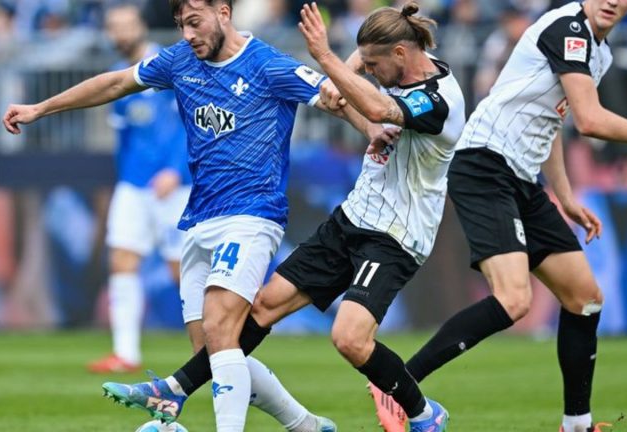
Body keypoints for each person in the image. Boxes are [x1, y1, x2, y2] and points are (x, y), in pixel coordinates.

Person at [1, 0, 388, 429]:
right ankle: (307, 425)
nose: (187, 34)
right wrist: (40, 109)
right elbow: (114, 83)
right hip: (199, 218)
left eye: (194, 22)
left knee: (222, 330)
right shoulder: (179, 61)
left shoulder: (268, 65)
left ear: (223, 13)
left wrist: (372, 128)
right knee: (213, 352)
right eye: (181, 25)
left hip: (252, 216)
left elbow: (335, 98)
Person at [103, 2, 465, 431]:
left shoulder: (440, 100)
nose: (367, 70)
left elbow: (378, 110)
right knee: (262, 307)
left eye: (372, 64)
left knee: (349, 339)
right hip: (353, 218)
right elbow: (357, 81)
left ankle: (425, 415)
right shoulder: (400, 60)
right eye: (364, 62)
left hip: (397, 235)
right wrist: (341, 75)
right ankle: (180, 390)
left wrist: (326, 58)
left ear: (401, 55)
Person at [366, 1, 627, 431]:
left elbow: (555, 122)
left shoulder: (599, 53)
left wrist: (564, 196)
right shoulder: (569, 29)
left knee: (585, 299)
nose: (613, 1)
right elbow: (590, 121)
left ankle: (576, 425)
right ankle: (397, 384)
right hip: (485, 164)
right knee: (514, 300)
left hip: (522, 178)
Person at [85, 2, 191, 375]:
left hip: (173, 185)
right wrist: (126, 181)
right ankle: (125, 353)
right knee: (121, 262)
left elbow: (189, 122)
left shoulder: (163, 68)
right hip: (133, 186)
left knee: (183, 271)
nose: (119, 33)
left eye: (125, 25)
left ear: (141, 27)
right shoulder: (117, 76)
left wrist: (176, 171)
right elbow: (127, 141)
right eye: (113, 27)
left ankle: (218, 348)